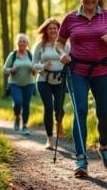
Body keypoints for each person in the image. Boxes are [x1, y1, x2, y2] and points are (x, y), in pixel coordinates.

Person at [55, 0, 107, 177]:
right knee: (79, 111)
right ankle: (80, 159)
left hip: (102, 72)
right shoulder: (70, 18)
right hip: (77, 71)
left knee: (104, 115)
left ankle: (104, 145)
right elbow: (59, 42)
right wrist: (62, 54)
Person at [32, 18, 69, 150]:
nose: (53, 30)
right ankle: (49, 140)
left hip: (60, 80)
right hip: (43, 80)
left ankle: (59, 122)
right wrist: (42, 66)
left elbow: (71, 59)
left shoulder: (65, 45)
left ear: (59, 30)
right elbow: (33, 65)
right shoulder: (40, 45)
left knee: (59, 108)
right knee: (48, 107)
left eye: (55, 28)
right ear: (46, 31)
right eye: (50, 28)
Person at [3, 33, 36, 135]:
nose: (22, 43)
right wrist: (11, 70)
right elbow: (4, 69)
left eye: (24, 41)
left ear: (27, 43)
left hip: (29, 83)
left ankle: (25, 126)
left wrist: (34, 70)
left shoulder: (31, 55)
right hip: (14, 84)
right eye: (20, 41)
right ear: (17, 43)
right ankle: (17, 117)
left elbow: (36, 70)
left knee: (26, 105)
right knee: (18, 102)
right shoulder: (13, 55)